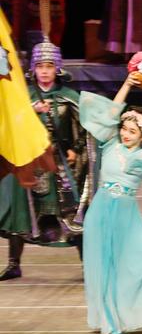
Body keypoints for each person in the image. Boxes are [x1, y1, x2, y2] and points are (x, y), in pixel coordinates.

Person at [78, 76, 142, 334]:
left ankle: (136, 312)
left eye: (132, 131)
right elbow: (111, 113)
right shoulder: (111, 144)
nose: (125, 133)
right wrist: (127, 84)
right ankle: (109, 320)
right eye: (124, 128)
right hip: (101, 211)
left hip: (126, 215)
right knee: (104, 266)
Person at [0, 41, 89, 280]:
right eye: (40, 66)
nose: (45, 71)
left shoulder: (69, 96)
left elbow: (85, 127)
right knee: (22, 212)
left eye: (49, 66)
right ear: (33, 69)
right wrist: (31, 111)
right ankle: (14, 264)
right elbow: (9, 123)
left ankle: (87, 265)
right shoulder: (23, 97)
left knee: (72, 212)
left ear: (57, 68)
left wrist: (75, 150)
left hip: (59, 164)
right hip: (30, 163)